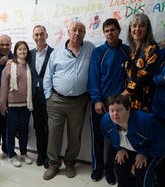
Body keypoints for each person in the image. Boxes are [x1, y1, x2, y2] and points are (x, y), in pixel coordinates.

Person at [43, 21, 95, 180]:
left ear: (85, 34)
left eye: (81, 31)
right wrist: (48, 96)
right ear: (68, 31)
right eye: (74, 30)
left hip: (79, 102)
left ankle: (70, 162)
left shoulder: (90, 48)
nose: (77, 33)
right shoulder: (57, 52)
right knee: (54, 134)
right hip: (56, 100)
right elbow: (48, 76)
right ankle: (53, 163)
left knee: (75, 135)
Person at [88, 18, 129, 184]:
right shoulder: (99, 52)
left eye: (113, 30)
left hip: (119, 105)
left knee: (116, 139)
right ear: (103, 33)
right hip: (100, 103)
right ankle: (97, 168)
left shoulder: (127, 51)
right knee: (97, 137)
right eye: (106, 31)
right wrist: (97, 100)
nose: (110, 33)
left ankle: (110, 169)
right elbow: (93, 77)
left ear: (119, 30)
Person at [100, 94, 165, 187]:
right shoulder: (106, 121)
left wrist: (145, 154)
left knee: (142, 171)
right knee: (120, 166)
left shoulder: (145, 121)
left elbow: (161, 141)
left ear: (128, 109)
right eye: (112, 110)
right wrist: (119, 148)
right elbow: (109, 136)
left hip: (152, 149)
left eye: (118, 110)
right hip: (131, 147)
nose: (114, 114)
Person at [0, 40, 33, 167]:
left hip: (26, 105)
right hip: (11, 105)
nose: (22, 51)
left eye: (24, 49)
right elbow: (3, 88)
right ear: (16, 52)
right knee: (11, 131)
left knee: (24, 130)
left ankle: (24, 153)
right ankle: (11, 155)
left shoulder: (29, 66)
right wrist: (2, 104)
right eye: (20, 49)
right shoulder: (9, 67)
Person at [122, 13, 159, 112]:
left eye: (142, 26)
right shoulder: (131, 49)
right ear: (130, 29)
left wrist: (126, 92)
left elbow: (146, 75)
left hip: (142, 98)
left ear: (147, 29)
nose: (137, 29)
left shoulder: (152, 48)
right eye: (134, 26)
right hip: (128, 99)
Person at [29, 25, 53, 168]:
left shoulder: (54, 53)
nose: (39, 37)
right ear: (33, 37)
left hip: (49, 96)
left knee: (50, 128)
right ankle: (41, 154)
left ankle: (50, 156)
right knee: (38, 127)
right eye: (36, 34)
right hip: (34, 96)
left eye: (41, 34)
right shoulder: (29, 54)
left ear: (46, 35)